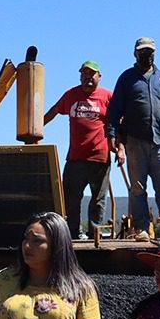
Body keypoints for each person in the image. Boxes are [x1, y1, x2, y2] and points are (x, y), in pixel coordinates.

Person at [106, 37, 160, 241]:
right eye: (143, 51)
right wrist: (111, 134)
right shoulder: (126, 78)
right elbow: (114, 110)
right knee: (138, 188)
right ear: (135, 54)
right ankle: (141, 228)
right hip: (135, 141)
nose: (147, 55)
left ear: (154, 53)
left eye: (150, 51)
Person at [43, 60, 113, 240]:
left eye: (91, 74)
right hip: (75, 157)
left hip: (99, 156)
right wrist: (36, 125)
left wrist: (120, 148)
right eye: (84, 74)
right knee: (71, 197)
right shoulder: (71, 94)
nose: (87, 77)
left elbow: (117, 124)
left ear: (99, 76)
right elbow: (55, 110)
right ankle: (73, 232)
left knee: (98, 199)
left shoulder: (107, 96)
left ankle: (94, 233)